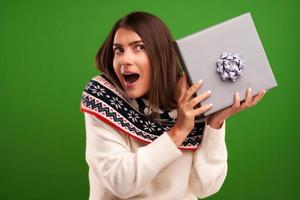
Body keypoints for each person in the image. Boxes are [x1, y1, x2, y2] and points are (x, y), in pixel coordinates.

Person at [80, 11, 266, 200]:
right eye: (118, 50)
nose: (125, 60)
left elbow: (204, 187)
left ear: (160, 55)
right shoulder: (103, 96)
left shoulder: (191, 98)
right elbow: (121, 182)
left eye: (139, 48)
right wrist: (178, 131)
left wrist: (215, 122)